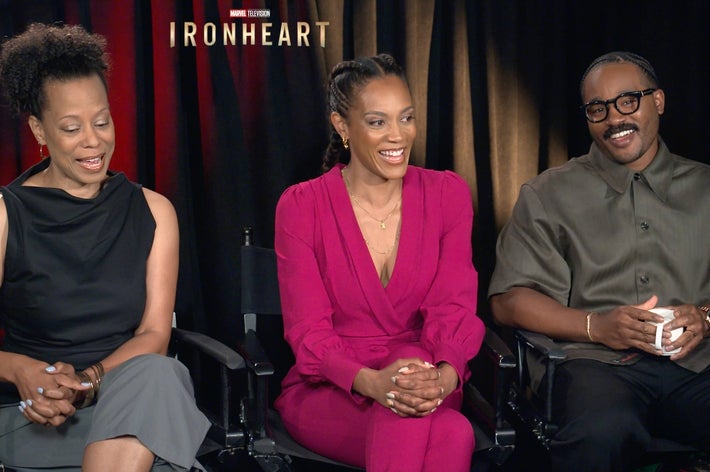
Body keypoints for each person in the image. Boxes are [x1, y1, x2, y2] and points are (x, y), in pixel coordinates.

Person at [0, 23, 210, 471]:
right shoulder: (5, 214)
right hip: (34, 416)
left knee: (160, 372)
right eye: (71, 128)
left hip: (124, 397)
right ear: (39, 130)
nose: (93, 141)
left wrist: (88, 381)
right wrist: (20, 370)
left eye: (101, 122)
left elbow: (154, 335)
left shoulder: (154, 212)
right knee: (163, 430)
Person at [489, 51, 710, 471]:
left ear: (658, 101)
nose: (614, 119)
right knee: (601, 431)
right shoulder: (548, 194)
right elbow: (508, 300)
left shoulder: (704, 187)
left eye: (628, 101)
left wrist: (705, 318)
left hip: (698, 365)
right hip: (595, 366)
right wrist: (598, 326)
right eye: (598, 108)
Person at [273, 53, 485, 471]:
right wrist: (374, 383)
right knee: (452, 433)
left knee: (415, 393)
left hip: (426, 379)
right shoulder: (302, 206)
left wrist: (443, 378)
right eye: (377, 122)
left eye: (406, 118)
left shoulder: (447, 195)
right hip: (332, 388)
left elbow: (454, 306)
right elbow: (308, 330)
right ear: (342, 126)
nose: (398, 135)